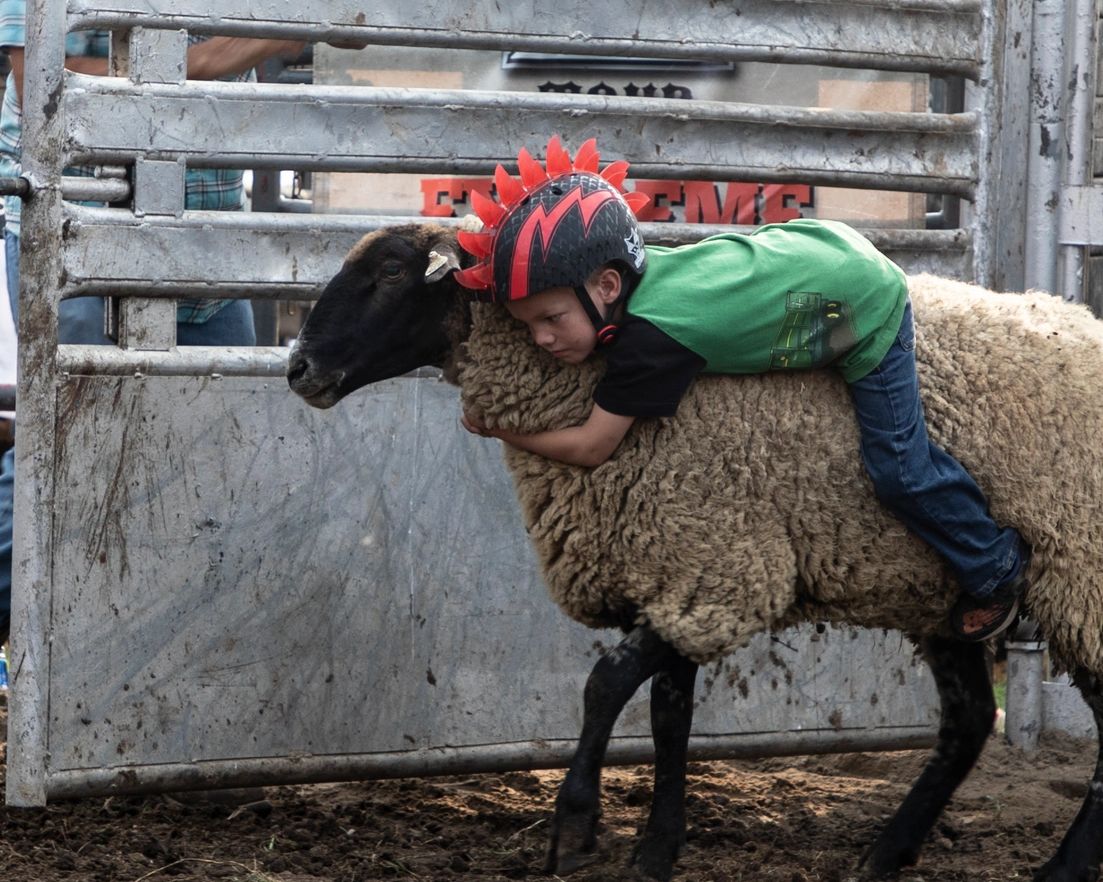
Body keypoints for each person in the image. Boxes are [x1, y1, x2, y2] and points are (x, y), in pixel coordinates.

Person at [456, 136, 1030, 643]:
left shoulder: (650, 341)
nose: (541, 338)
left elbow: (592, 447)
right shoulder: (637, 275)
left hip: (863, 301)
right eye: (528, 325)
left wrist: (503, 428)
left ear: (607, 285)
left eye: (551, 317)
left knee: (899, 468)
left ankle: (995, 569)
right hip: (816, 247)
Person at [0, 17, 307, 643]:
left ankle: (145, 656)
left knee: (212, 458)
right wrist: (207, 62)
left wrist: (190, 67)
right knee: (67, 453)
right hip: (81, 232)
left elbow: (305, 30)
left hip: (209, 237)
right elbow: (39, 84)